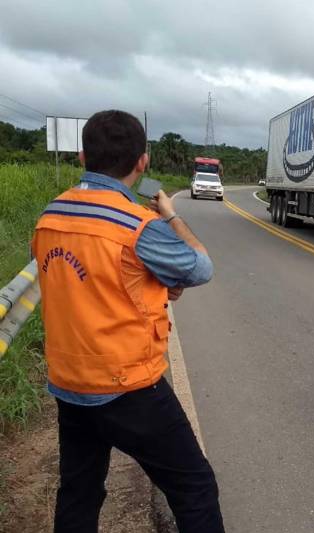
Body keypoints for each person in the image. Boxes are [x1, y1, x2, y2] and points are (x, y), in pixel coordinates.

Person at [32, 110, 225, 533]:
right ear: (143, 162)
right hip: (128, 387)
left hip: (68, 382)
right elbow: (200, 267)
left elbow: (89, 282)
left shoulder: (50, 215)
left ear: (83, 157)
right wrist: (171, 216)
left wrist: (154, 283)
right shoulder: (139, 226)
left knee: (79, 492)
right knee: (194, 488)